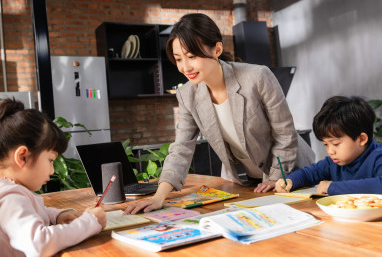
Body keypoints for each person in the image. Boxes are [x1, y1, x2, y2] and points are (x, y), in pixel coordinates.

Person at [125, 13, 314, 214]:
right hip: (249, 183)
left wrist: (275, 178)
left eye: (192, 56)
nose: (185, 67)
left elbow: (285, 134)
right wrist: (158, 197)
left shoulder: (257, 77)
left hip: (292, 175)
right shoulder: (187, 94)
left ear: (217, 49)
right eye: (179, 59)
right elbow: (181, 148)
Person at [0, 98, 107, 256]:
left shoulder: (8, 191)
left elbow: (28, 210)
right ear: (23, 157)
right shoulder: (10, 197)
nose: (52, 170)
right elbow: (38, 244)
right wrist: (90, 223)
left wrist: (56, 216)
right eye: (50, 160)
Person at [275, 96, 382, 197]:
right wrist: (290, 181)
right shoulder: (333, 162)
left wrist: (332, 187)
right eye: (325, 144)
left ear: (361, 139)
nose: (330, 151)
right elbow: (308, 174)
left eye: (335, 144)